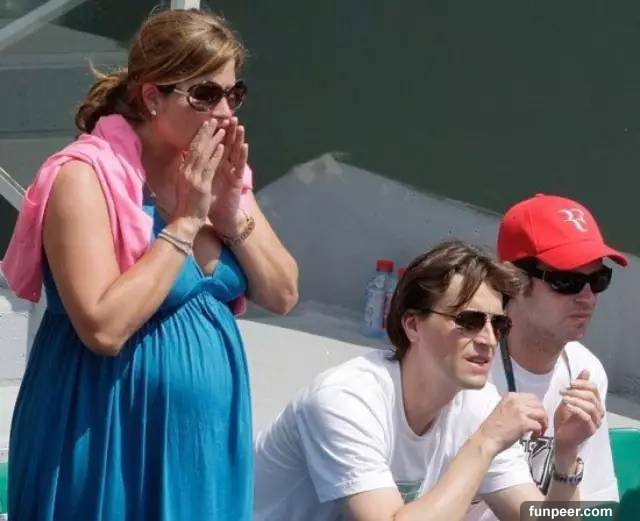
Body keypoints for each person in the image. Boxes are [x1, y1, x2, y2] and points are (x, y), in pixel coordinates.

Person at [3, 8, 298, 520]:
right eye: (204, 95)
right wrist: (185, 223)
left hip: (202, 451)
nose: (224, 112)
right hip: (107, 435)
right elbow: (103, 326)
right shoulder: (84, 178)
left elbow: (284, 293)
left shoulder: (213, 173)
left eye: (233, 94)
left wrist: (230, 212)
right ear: (152, 96)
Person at [254, 241, 603, 521]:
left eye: (498, 325)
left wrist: (566, 456)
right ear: (412, 325)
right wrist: (485, 443)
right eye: (468, 321)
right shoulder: (346, 399)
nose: (488, 339)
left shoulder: (480, 405)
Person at [467, 194, 626, 521]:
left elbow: (592, 509)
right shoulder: (470, 365)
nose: (587, 298)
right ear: (513, 280)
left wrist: (567, 456)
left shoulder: (586, 371)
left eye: (598, 280)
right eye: (566, 281)